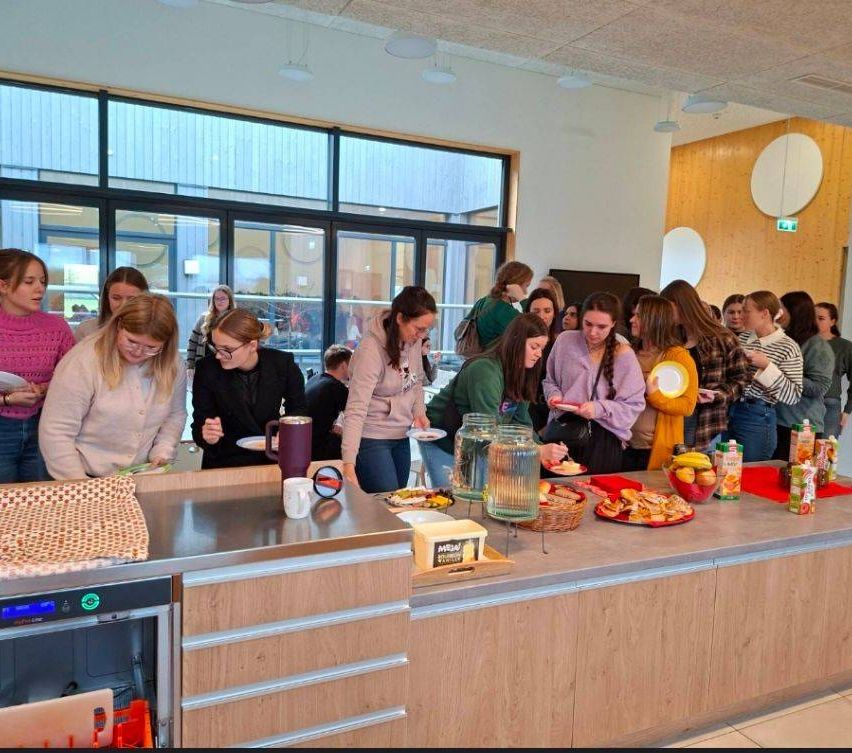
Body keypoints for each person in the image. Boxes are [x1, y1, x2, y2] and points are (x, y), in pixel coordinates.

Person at [40, 294, 186, 480]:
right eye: (132, 341)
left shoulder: (172, 363)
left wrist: (164, 449)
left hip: (142, 475)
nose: (139, 352)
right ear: (118, 326)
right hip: (84, 476)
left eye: (151, 347)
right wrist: (80, 485)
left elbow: (175, 414)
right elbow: (56, 431)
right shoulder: (83, 362)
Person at [421, 314, 567, 486]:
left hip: (475, 443)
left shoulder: (520, 374)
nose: (539, 354)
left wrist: (541, 448)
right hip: (441, 437)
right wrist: (536, 451)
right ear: (516, 342)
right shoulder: (485, 370)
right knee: (450, 498)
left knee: (480, 495)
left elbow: (521, 424)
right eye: (534, 346)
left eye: (542, 348)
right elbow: (487, 430)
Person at [342, 286, 436, 493]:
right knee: (385, 504)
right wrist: (348, 463)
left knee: (398, 500)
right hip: (372, 437)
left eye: (427, 329)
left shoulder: (414, 341)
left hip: (401, 435)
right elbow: (355, 409)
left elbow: (416, 381)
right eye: (419, 329)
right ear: (400, 318)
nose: (422, 335)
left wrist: (419, 412)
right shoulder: (370, 350)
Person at [543, 292, 645, 474]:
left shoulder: (623, 354)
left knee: (596, 498)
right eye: (588, 324)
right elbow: (549, 380)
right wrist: (554, 395)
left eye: (601, 327)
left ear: (613, 324)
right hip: (563, 431)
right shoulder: (565, 341)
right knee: (555, 496)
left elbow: (634, 405)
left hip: (603, 438)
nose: (593, 332)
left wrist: (598, 408)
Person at [191, 309, 306, 469]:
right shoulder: (207, 369)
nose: (218, 355)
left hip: (270, 459)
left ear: (252, 345)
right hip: (224, 463)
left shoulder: (282, 364)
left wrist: (288, 430)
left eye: (227, 349)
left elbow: (299, 408)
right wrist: (208, 436)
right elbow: (199, 424)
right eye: (215, 347)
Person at [0, 248, 75, 482]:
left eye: (42, 281)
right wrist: (7, 400)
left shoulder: (57, 327)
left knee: (43, 500)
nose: (39, 289)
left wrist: (43, 389)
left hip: (45, 425)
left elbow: (74, 378)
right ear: (3, 285)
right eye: (29, 281)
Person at [660, 279, 750, 453]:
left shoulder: (723, 338)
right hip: (673, 418)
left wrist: (717, 395)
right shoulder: (670, 337)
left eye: (668, 307)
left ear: (681, 305)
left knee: (701, 473)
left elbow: (743, 378)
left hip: (707, 422)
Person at [623, 295, 698, 471]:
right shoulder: (627, 352)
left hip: (653, 450)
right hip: (622, 444)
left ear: (655, 320)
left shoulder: (678, 357)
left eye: (639, 316)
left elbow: (687, 406)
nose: (632, 320)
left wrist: (654, 395)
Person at [728, 291, 803, 462]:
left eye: (746, 311)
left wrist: (767, 367)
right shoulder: (743, 337)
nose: (740, 316)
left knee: (750, 473)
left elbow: (793, 395)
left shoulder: (788, 347)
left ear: (764, 313)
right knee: (726, 471)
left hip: (757, 416)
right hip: (731, 409)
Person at [773, 291, 834, 460]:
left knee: (796, 479)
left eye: (781, 309)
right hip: (777, 421)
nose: (777, 314)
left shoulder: (818, 347)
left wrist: (779, 371)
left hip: (801, 426)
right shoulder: (784, 340)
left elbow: (818, 387)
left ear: (794, 312)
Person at [467, 260, 533, 351]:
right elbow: (533, 329)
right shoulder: (503, 310)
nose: (526, 292)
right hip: (493, 360)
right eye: (526, 286)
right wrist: (522, 299)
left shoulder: (484, 301)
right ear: (515, 285)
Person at [74, 266, 149, 342]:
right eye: (116, 298)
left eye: (132, 299)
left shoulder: (154, 329)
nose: (123, 305)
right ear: (107, 298)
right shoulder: (86, 330)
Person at [304, 344, 352, 461]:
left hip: (303, 441)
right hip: (318, 447)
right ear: (344, 365)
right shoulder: (336, 387)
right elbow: (356, 415)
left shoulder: (314, 379)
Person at [816, 302, 852, 438]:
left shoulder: (845, 346)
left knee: (825, 453)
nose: (815, 322)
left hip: (829, 404)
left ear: (832, 321)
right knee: (800, 452)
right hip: (803, 404)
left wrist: (847, 411)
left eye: (821, 318)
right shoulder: (803, 343)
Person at [526, 288, 560, 431]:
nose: (542, 316)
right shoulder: (519, 342)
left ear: (554, 313)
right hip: (525, 407)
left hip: (551, 409)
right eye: (536, 311)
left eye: (547, 311)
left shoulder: (560, 344)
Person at [186, 285, 235, 374]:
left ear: (230, 300)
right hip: (204, 366)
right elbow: (192, 342)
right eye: (217, 298)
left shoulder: (236, 321)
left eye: (223, 298)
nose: (220, 301)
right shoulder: (203, 318)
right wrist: (190, 365)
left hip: (226, 367)